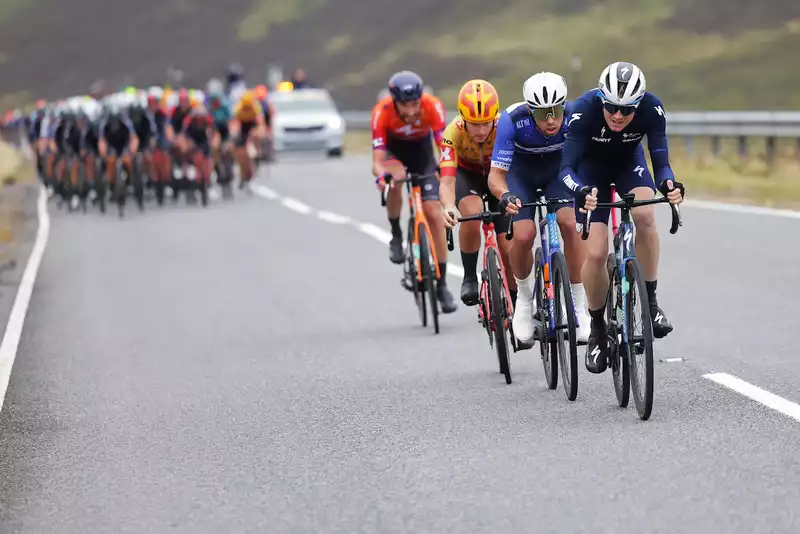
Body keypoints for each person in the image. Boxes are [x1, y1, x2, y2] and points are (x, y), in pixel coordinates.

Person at [559, 61, 685, 374]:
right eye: (612, 108)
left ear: (638, 105)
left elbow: (660, 160)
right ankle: (599, 331)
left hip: (630, 165)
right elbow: (565, 170)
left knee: (644, 215)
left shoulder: (652, 109)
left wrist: (669, 184)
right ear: (602, 100)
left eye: (627, 111)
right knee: (598, 252)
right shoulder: (583, 111)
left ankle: (651, 305)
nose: (618, 116)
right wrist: (579, 191)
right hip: (590, 175)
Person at [488, 72, 591, 344]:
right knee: (523, 234)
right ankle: (524, 299)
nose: (550, 120)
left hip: (557, 174)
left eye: (556, 111)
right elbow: (496, 175)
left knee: (570, 223)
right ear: (530, 109)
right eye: (543, 113)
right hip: (520, 176)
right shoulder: (511, 120)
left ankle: (579, 303)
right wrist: (505, 195)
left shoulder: (576, 114)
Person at [371, 70, 457, 313]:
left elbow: (444, 147)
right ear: (394, 102)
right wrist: (382, 175)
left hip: (422, 157)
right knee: (395, 180)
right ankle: (397, 234)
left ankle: (441, 285)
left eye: (414, 104)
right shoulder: (382, 111)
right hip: (393, 155)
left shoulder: (433, 106)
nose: (410, 111)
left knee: (433, 213)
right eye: (404, 105)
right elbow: (377, 160)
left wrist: (445, 169)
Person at [439, 80, 513, 306]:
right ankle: (470, 276)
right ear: (462, 119)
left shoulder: (506, 127)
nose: (481, 131)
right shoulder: (452, 132)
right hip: (467, 175)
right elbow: (447, 180)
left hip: (498, 175)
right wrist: (449, 206)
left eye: (486, 124)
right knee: (471, 212)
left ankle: (518, 299)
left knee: (508, 244)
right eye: (474, 124)